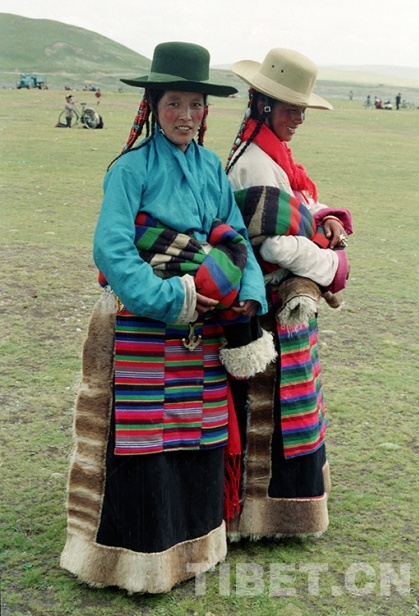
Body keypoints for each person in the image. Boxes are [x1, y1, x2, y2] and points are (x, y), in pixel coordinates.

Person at [60, 42, 273, 594]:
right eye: (174, 102)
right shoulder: (129, 169)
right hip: (144, 328)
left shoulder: (210, 167)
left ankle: (195, 550)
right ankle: (139, 563)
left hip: (206, 330)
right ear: (154, 105)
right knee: (145, 445)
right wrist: (170, 298)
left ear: (206, 110)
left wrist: (247, 298)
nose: (186, 115)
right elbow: (112, 249)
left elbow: (235, 239)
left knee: (199, 440)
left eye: (195, 104)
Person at [224, 47, 353, 539]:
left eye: (302, 109)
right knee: (272, 411)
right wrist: (333, 266)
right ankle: (268, 515)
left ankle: (281, 508)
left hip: (281, 304)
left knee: (284, 407)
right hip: (270, 307)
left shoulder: (271, 154)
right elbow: (275, 244)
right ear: (263, 104)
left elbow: (297, 206)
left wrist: (324, 218)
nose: (299, 118)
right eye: (291, 108)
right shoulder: (257, 164)